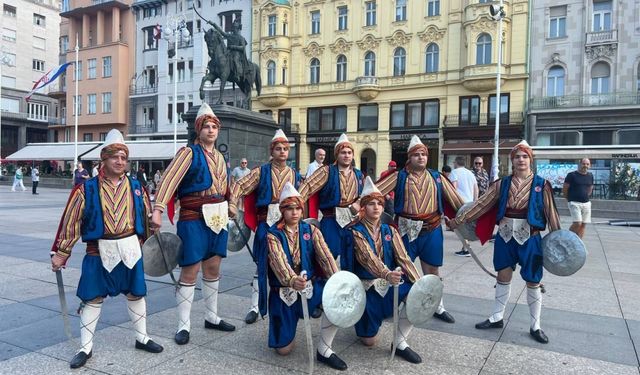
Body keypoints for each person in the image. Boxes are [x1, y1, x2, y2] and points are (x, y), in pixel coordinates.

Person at [50, 129, 163, 369]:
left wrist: (153, 237)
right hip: (97, 250)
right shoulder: (86, 189)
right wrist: (62, 252)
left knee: (136, 292)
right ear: (104, 159)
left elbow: (144, 216)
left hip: (131, 248)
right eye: (115, 157)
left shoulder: (136, 187)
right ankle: (86, 347)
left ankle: (142, 338)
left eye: (123, 157)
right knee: (93, 296)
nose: (120, 161)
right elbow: (71, 221)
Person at [450, 140, 561, 344]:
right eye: (517, 156)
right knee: (503, 274)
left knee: (533, 280)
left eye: (524, 156)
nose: (521, 159)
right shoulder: (502, 183)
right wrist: (459, 220)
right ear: (512, 160)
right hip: (505, 234)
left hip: (531, 236)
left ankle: (535, 325)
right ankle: (497, 317)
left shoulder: (542, 185)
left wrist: (559, 239)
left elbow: (551, 212)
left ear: (530, 159)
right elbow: (481, 205)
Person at [152, 103, 236, 346]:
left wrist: (231, 204)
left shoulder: (220, 157)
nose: (211, 130)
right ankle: (184, 325)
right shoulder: (187, 153)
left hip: (218, 217)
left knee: (213, 268)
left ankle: (211, 316)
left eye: (214, 127)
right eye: (206, 127)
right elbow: (168, 179)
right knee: (190, 269)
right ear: (198, 130)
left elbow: (226, 186)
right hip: (193, 217)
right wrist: (158, 209)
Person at [376, 135, 464, 324]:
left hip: (432, 229)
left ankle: (437, 306)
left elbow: (457, 201)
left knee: (433, 270)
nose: (421, 157)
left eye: (423, 154)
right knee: (400, 269)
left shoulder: (437, 177)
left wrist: (464, 218)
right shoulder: (399, 177)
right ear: (410, 158)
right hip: (406, 231)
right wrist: (359, 206)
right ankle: (395, 303)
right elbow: (373, 192)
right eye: (416, 155)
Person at [262, 182, 343, 369]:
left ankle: (324, 349)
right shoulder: (273, 235)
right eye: (289, 208)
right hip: (284, 291)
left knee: (335, 300)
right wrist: (292, 279)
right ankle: (289, 327)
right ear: (282, 210)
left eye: (298, 208)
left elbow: (325, 256)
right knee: (283, 350)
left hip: (310, 286)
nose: (295, 212)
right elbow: (278, 261)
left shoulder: (311, 230)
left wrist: (338, 279)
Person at [347, 176, 424, 364]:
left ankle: (400, 343)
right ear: (363, 207)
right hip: (366, 288)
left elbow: (403, 257)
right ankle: (365, 321)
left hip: (391, 282)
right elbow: (367, 258)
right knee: (369, 341)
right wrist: (387, 274)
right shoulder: (355, 231)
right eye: (371, 204)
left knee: (416, 295)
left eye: (379, 204)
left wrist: (419, 282)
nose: (376, 207)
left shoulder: (390, 230)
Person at [229, 129, 301, 325]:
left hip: (288, 227)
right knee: (260, 266)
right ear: (272, 151)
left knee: (290, 264)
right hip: (265, 224)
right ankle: (254, 307)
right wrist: (232, 204)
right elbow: (239, 186)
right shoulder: (261, 171)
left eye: (285, 149)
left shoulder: (295, 174)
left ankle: (289, 305)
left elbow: (303, 198)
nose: (282, 152)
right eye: (278, 148)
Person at [299, 134, 364, 262]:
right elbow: (307, 187)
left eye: (349, 152)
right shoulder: (326, 171)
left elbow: (364, 194)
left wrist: (359, 202)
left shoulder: (358, 174)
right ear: (337, 155)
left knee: (352, 257)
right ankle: (324, 281)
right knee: (326, 257)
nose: (346, 155)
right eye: (343, 152)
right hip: (331, 221)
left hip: (352, 221)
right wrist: (293, 204)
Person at [451, 156, 479, 257]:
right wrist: (475, 202)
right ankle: (465, 248)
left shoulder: (455, 172)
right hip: (469, 203)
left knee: (460, 228)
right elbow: (476, 188)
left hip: (459, 203)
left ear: (456, 163)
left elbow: (453, 188)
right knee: (465, 227)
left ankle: (466, 249)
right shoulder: (470, 173)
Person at [563, 158, 593, 239]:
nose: (585, 166)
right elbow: (565, 188)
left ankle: (579, 243)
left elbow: (590, 187)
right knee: (577, 223)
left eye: (587, 164)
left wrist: (586, 195)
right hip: (574, 203)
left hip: (586, 203)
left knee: (583, 224)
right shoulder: (572, 175)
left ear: (590, 165)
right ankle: (566, 238)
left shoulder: (590, 175)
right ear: (580, 164)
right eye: (584, 164)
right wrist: (568, 199)